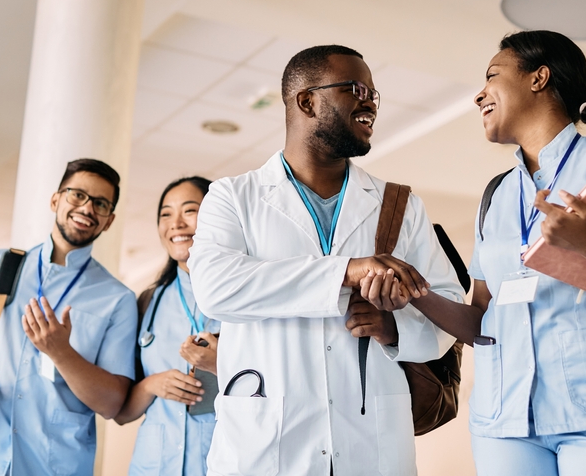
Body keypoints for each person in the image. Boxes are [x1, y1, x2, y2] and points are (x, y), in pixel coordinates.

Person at [374, 30, 586, 476]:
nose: (479, 94)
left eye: (493, 76)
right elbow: (481, 320)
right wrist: (416, 293)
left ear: (539, 78)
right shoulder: (496, 195)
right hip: (504, 423)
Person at [189, 45, 465, 476]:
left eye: (375, 93)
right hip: (266, 445)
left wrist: (395, 328)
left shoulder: (400, 205)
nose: (370, 101)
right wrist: (346, 271)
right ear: (306, 100)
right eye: (356, 88)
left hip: (370, 443)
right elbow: (216, 289)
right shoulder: (233, 197)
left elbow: (448, 308)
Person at [0, 158, 138, 476]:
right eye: (78, 195)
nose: (87, 208)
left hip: (54, 466)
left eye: (100, 204)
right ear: (56, 199)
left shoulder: (118, 299)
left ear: (109, 220)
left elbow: (112, 403)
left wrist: (61, 353)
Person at [116, 176, 221, 476]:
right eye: (165, 213)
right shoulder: (147, 302)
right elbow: (122, 413)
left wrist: (221, 364)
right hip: (153, 466)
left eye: (190, 210)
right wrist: (152, 384)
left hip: (219, 463)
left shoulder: (246, 292)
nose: (175, 223)